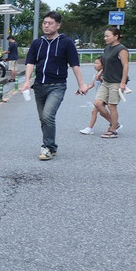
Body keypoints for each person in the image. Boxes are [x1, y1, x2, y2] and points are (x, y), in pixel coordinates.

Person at [20, 10, 91, 161]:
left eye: (50, 23)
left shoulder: (66, 43)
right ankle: (51, 147)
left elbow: (74, 65)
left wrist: (82, 84)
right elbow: (30, 63)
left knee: (47, 116)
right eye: (44, 23)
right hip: (39, 85)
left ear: (58, 25)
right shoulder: (37, 43)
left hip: (57, 86)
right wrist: (27, 81)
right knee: (43, 119)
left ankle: (46, 147)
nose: (46, 26)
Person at [93, 25, 129, 139]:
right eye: (105, 36)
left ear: (116, 36)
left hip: (116, 82)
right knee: (98, 103)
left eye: (107, 36)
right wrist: (100, 73)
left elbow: (126, 66)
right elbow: (106, 63)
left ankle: (112, 129)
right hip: (106, 80)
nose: (105, 38)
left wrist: (123, 82)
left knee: (112, 106)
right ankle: (115, 123)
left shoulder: (121, 49)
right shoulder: (107, 48)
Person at [78, 58, 106, 136]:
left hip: (103, 96)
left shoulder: (105, 74)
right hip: (98, 96)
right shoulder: (95, 75)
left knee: (94, 112)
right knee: (102, 113)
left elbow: (106, 83)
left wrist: (100, 78)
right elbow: (91, 85)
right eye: (94, 63)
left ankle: (89, 128)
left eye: (97, 63)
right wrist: (82, 89)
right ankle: (115, 124)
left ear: (103, 65)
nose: (95, 65)